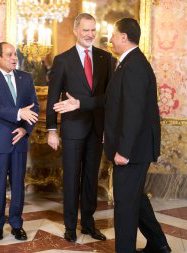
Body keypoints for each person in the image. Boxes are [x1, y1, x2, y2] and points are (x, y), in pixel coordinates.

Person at [105, 18, 171, 253]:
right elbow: (118, 105)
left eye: (113, 34)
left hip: (132, 150)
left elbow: (134, 112)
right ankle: (159, 244)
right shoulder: (129, 63)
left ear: (124, 37)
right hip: (135, 146)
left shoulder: (133, 65)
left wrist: (124, 150)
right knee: (135, 198)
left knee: (124, 203)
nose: (110, 39)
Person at [46, 13, 113, 242]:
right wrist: (51, 130)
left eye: (93, 30)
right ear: (76, 30)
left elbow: (109, 98)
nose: (90, 34)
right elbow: (53, 97)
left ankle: (88, 223)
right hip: (72, 129)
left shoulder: (106, 58)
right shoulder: (62, 60)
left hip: (97, 129)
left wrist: (108, 128)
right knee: (72, 178)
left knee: (91, 179)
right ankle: (69, 226)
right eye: (86, 30)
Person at [0, 42, 39, 241]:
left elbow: (34, 107)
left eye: (15, 54)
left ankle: (16, 224)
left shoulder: (26, 78)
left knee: (18, 185)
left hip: (19, 139)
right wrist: (18, 113)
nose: (14, 58)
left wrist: (25, 129)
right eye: (9, 55)